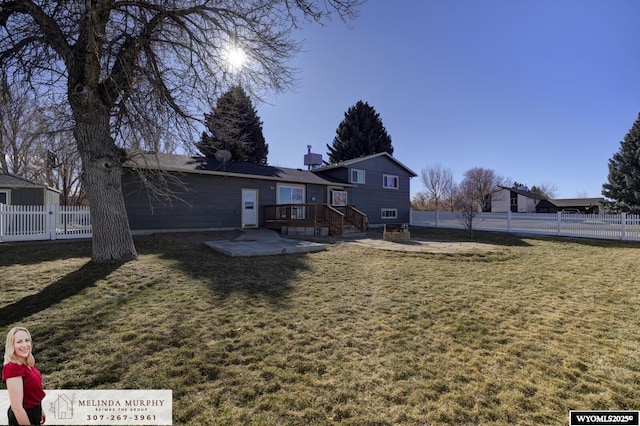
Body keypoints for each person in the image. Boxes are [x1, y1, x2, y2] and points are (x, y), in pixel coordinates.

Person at [2, 327, 46, 425]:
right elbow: (17, 408)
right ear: (11, 345)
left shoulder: (26, 363)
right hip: (23, 416)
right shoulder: (12, 368)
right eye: (19, 342)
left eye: (27, 340)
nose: (25, 345)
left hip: (34, 412)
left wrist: (39, 410)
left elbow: (32, 393)